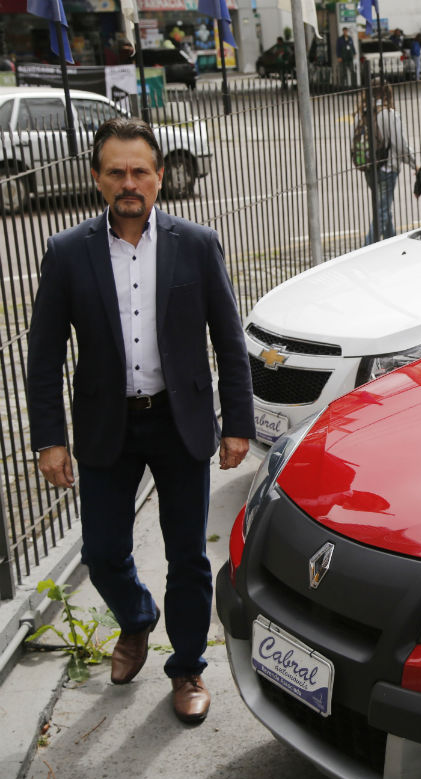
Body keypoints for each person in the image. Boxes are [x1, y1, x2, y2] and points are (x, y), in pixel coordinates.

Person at [25, 117, 253, 726]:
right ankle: (136, 619)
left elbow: (229, 342)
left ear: (159, 178)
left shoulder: (197, 245)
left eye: (141, 171)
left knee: (188, 555)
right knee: (102, 552)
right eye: (117, 171)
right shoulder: (67, 252)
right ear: (97, 177)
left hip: (179, 424)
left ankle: (185, 668)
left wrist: (238, 422)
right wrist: (49, 438)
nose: (130, 182)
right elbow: (44, 354)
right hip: (107, 426)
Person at [359, 81, 416, 242]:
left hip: (369, 169)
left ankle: (390, 242)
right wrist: (414, 163)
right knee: (382, 212)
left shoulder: (361, 113)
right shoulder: (389, 114)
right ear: (387, 94)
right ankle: (366, 250)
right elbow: (400, 145)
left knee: (384, 208)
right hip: (387, 169)